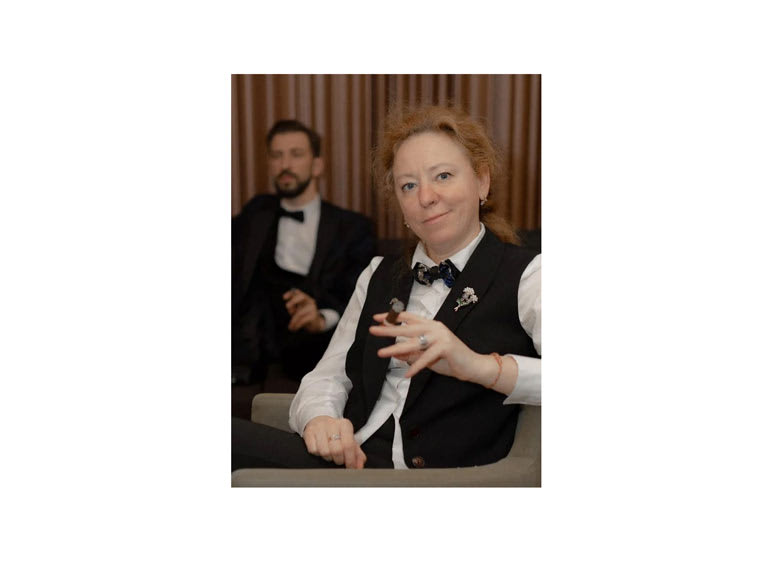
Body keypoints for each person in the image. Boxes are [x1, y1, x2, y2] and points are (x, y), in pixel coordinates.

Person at [232, 106, 540, 471]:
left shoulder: (529, 274)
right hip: (350, 463)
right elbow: (328, 376)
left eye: (443, 176)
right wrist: (319, 419)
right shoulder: (379, 274)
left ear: (482, 181)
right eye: (409, 185)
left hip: (438, 480)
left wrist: (477, 366)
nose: (426, 197)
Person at [231, 119, 375, 387]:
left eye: (296, 154)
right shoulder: (254, 215)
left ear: (317, 165)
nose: (285, 165)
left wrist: (321, 318)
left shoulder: (352, 228)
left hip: (318, 353)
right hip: (254, 358)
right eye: (277, 156)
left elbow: (362, 295)